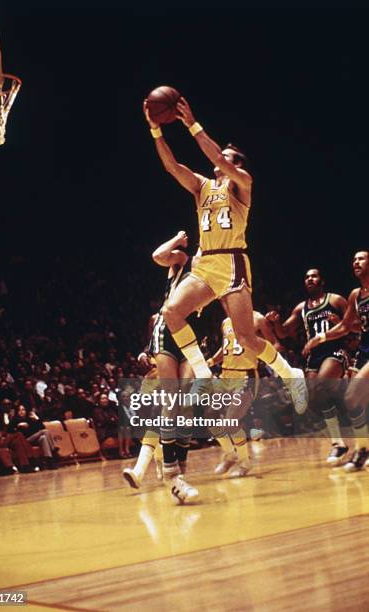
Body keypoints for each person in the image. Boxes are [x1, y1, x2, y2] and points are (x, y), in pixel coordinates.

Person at [143, 96, 308, 416]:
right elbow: (171, 166)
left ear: (236, 164)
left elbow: (217, 154)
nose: (219, 160)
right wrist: (155, 131)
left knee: (247, 338)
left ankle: (290, 374)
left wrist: (191, 124)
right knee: (172, 311)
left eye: (227, 158)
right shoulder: (202, 186)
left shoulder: (243, 184)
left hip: (233, 263)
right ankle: (202, 371)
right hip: (206, 263)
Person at [124, 231, 209, 504]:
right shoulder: (183, 260)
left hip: (193, 337)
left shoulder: (218, 272)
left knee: (185, 404)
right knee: (171, 401)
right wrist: (177, 238)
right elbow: (157, 255)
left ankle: (177, 472)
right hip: (167, 332)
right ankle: (172, 472)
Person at [266, 269, 349, 465]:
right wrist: (275, 322)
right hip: (314, 357)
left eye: (314, 276)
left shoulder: (336, 300)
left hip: (336, 351)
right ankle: (338, 443)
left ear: (322, 280)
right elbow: (284, 332)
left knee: (320, 386)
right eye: (306, 277)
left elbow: (352, 324)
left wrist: (339, 323)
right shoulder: (301, 308)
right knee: (313, 397)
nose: (309, 279)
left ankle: (344, 417)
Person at [303, 251, 369, 471]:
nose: (356, 262)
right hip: (363, 351)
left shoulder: (338, 298)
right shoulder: (355, 295)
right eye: (354, 259)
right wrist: (319, 337)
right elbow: (345, 327)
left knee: (352, 397)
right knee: (357, 401)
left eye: (361, 258)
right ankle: (361, 449)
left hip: (354, 353)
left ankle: (362, 450)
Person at [208, 311, 280, 477]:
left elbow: (275, 344)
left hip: (246, 375)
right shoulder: (225, 321)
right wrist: (211, 361)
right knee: (209, 414)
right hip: (225, 375)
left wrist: (267, 360)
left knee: (231, 420)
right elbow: (227, 347)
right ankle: (230, 453)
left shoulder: (258, 319)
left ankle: (245, 461)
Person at [9, 404, 57, 470]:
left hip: (34, 439)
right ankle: (53, 450)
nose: (21, 412)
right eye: (19, 410)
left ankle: (49, 461)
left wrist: (36, 418)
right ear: (17, 412)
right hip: (25, 441)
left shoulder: (30, 419)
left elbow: (42, 427)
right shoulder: (15, 420)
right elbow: (10, 429)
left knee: (43, 438)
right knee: (45, 431)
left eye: (23, 410)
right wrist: (17, 426)